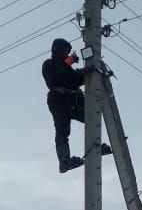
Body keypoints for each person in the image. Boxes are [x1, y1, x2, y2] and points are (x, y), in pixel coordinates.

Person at [41, 38, 112, 173]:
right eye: (65, 52)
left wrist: (92, 72)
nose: (67, 55)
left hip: (71, 99)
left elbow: (75, 78)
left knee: (91, 117)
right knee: (62, 132)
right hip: (58, 101)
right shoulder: (49, 64)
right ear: (58, 50)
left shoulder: (65, 67)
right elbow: (57, 75)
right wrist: (70, 62)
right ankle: (64, 161)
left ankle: (95, 145)